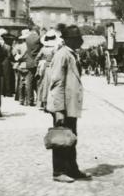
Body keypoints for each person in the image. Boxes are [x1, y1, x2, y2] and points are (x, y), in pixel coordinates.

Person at [46, 25, 91, 183]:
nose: (81, 41)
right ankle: (58, 172)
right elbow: (57, 83)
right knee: (60, 139)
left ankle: (72, 169)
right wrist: (58, 110)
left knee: (71, 137)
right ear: (70, 40)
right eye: (78, 38)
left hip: (69, 104)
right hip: (62, 105)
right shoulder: (62, 55)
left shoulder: (71, 54)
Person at [35, 29, 59, 110]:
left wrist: (40, 63)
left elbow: (37, 58)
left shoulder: (43, 48)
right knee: (53, 85)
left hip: (44, 68)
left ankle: (44, 103)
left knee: (44, 85)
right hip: (53, 68)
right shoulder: (56, 48)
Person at [24, 27, 41, 106]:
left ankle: (29, 100)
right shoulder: (39, 38)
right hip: (37, 61)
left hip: (29, 61)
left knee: (29, 82)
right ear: (37, 30)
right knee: (38, 81)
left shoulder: (27, 38)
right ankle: (39, 100)